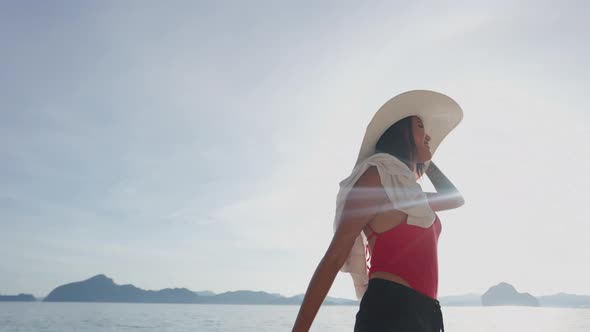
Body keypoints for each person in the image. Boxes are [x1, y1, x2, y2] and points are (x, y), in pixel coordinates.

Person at [292, 90, 465, 332]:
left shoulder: (408, 195)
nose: (428, 136)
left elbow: (456, 199)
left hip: (428, 313)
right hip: (390, 312)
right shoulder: (374, 177)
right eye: (419, 126)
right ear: (400, 132)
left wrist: (426, 158)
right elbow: (334, 257)